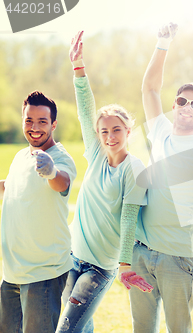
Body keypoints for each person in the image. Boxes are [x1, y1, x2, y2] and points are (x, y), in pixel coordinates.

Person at [130, 23, 193, 333]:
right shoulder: (160, 130)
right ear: (175, 105)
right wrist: (163, 42)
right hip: (141, 252)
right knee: (142, 329)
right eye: (182, 101)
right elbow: (149, 88)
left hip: (177, 257)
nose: (188, 107)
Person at [55, 31, 153, 333]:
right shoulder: (96, 154)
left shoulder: (134, 169)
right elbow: (86, 111)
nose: (110, 137)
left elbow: (128, 220)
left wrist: (124, 265)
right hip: (71, 258)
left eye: (117, 130)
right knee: (79, 328)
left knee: (66, 329)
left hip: (99, 268)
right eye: (104, 131)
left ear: (128, 131)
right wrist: (79, 68)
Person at [0, 91, 77, 332]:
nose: (34, 127)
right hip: (12, 271)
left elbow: (61, 183)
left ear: (53, 124)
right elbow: (9, 187)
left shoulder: (61, 158)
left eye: (42, 121)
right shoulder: (21, 156)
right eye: (29, 120)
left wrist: (51, 172)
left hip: (43, 273)